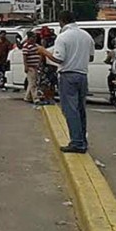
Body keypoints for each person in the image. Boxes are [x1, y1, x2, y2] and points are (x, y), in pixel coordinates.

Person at [38, 11, 95, 154]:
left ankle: (76, 143)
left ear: (61, 21)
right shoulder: (86, 36)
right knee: (80, 110)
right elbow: (91, 58)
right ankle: (82, 141)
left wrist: (43, 51)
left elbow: (59, 59)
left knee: (70, 110)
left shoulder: (63, 37)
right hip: (82, 75)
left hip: (67, 76)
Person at [38, 27, 57, 105]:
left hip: (46, 65)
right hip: (54, 64)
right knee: (52, 83)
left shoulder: (44, 41)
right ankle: (51, 98)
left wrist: (39, 63)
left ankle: (47, 98)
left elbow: (42, 53)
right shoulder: (55, 40)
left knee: (45, 83)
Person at [22, 31, 41, 104]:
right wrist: (26, 66)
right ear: (29, 38)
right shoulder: (26, 46)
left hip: (36, 67)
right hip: (30, 67)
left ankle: (27, 97)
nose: (34, 39)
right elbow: (25, 57)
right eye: (33, 37)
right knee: (33, 83)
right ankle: (35, 98)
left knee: (32, 82)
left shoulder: (36, 45)